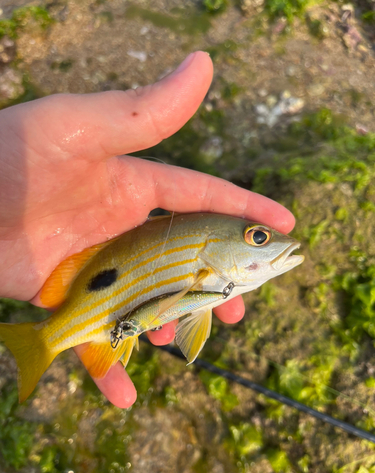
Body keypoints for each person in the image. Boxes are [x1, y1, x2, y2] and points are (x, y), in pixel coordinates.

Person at [0, 51, 295, 407]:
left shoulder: (210, 271)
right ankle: (42, 342)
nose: (268, 242)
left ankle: (44, 342)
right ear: (216, 245)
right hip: (94, 296)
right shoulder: (207, 268)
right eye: (258, 237)